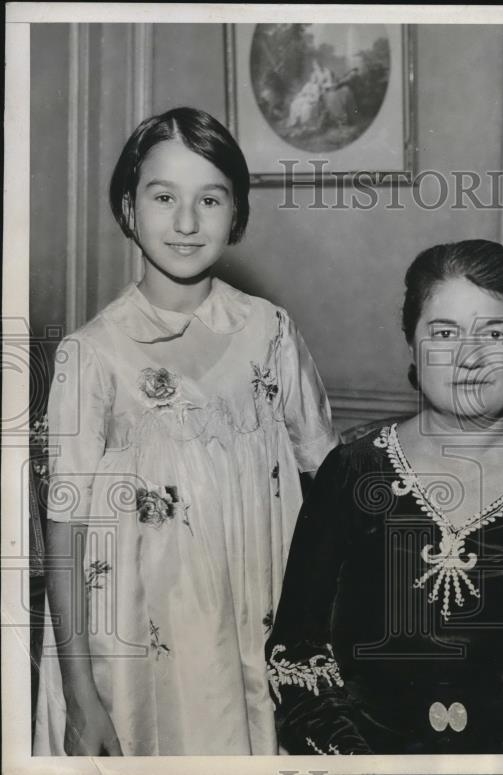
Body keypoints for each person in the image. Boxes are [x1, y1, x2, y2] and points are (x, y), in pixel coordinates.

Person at [33, 107, 340, 755]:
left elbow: (330, 486)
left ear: (237, 213)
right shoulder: (93, 356)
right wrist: (80, 690)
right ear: (128, 205)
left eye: (210, 198)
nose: (187, 221)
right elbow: (64, 533)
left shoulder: (269, 333)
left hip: (255, 633)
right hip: (140, 649)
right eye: (164, 195)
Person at [266, 239, 503, 754]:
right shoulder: (351, 475)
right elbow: (296, 656)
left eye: (496, 332)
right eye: (444, 332)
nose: (469, 356)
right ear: (412, 345)